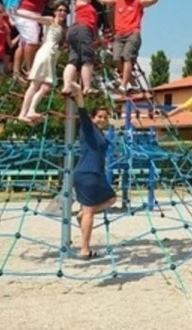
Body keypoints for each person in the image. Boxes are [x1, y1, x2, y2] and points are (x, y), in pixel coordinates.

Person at [70, 81, 116, 260]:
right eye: (99, 116)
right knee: (90, 212)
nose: (102, 119)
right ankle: (84, 250)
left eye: (105, 117)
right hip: (87, 173)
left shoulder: (99, 133)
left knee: (111, 198)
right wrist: (79, 94)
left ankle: (83, 214)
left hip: (96, 174)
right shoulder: (88, 128)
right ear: (93, 117)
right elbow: (82, 111)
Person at [105, 0, 167, 93]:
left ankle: (123, 85)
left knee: (127, 56)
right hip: (119, 35)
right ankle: (132, 83)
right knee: (116, 58)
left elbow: (152, 0)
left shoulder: (137, 2)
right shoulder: (117, 1)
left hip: (132, 33)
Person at [12, 1, 69, 123]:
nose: (62, 13)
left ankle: (27, 112)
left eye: (65, 11)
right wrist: (18, 14)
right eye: (60, 10)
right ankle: (26, 112)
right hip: (46, 53)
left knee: (44, 86)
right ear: (55, 12)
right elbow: (35, 17)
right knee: (37, 85)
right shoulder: (50, 21)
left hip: (52, 56)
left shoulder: (63, 28)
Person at [61, 0, 98, 95]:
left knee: (74, 59)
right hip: (82, 28)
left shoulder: (88, 5)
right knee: (88, 58)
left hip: (76, 30)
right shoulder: (81, 1)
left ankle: (66, 87)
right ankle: (87, 87)